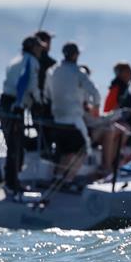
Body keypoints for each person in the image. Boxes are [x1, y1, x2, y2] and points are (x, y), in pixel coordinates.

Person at [45, 42, 105, 182]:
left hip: (57, 118)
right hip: (74, 120)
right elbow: (95, 93)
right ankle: (68, 181)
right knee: (82, 150)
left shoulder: (52, 71)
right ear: (75, 55)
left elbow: (47, 93)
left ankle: (58, 177)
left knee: (66, 151)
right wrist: (95, 107)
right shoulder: (78, 72)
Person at [0, 36, 44, 192]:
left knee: (13, 144)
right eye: (38, 47)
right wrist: (38, 102)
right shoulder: (32, 61)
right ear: (32, 48)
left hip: (4, 103)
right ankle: (12, 183)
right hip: (14, 107)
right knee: (15, 145)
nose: (40, 50)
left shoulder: (16, 60)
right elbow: (29, 84)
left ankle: (11, 181)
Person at [31, 30, 56, 154]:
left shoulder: (30, 61)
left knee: (41, 133)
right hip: (48, 106)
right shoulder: (52, 64)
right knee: (48, 134)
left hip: (33, 104)